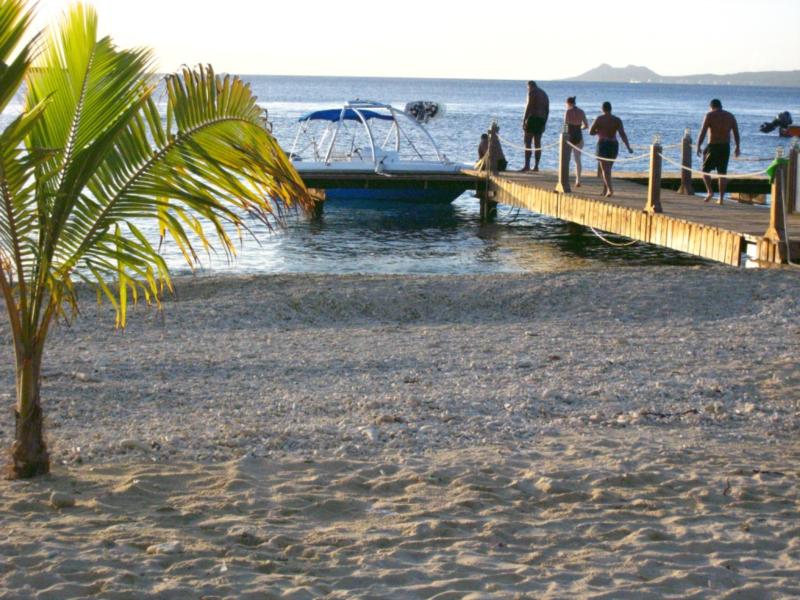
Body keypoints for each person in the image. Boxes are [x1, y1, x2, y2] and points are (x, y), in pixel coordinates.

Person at [697, 99, 741, 204]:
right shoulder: (730, 116)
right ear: (721, 106)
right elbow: (736, 133)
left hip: (713, 146)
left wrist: (698, 145)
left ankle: (710, 191)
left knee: (704, 171)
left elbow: (703, 131)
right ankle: (721, 198)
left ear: (711, 106)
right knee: (722, 173)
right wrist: (737, 147)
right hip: (725, 147)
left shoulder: (710, 115)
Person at [589, 101, 633, 197]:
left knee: (605, 170)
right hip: (613, 144)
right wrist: (628, 147)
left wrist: (598, 131)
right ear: (611, 109)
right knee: (608, 169)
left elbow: (591, 132)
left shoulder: (599, 119)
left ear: (602, 109)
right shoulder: (617, 120)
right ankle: (605, 190)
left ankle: (610, 190)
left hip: (603, 144)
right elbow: (622, 134)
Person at [522, 81, 549, 171]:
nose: (528, 89)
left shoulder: (532, 92)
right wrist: (545, 122)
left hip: (533, 118)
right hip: (541, 119)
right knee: (538, 143)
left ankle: (527, 165)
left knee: (527, 142)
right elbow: (547, 109)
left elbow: (529, 106)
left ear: (529, 86)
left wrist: (524, 119)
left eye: (527, 88)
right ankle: (536, 166)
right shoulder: (544, 93)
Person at [564, 96, 589, 187]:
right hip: (578, 135)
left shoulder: (568, 112)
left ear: (568, 103)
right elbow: (586, 126)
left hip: (570, 136)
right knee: (577, 159)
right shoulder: (581, 111)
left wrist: (564, 136)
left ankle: (565, 178)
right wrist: (580, 128)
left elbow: (565, 125)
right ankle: (578, 180)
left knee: (566, 159)